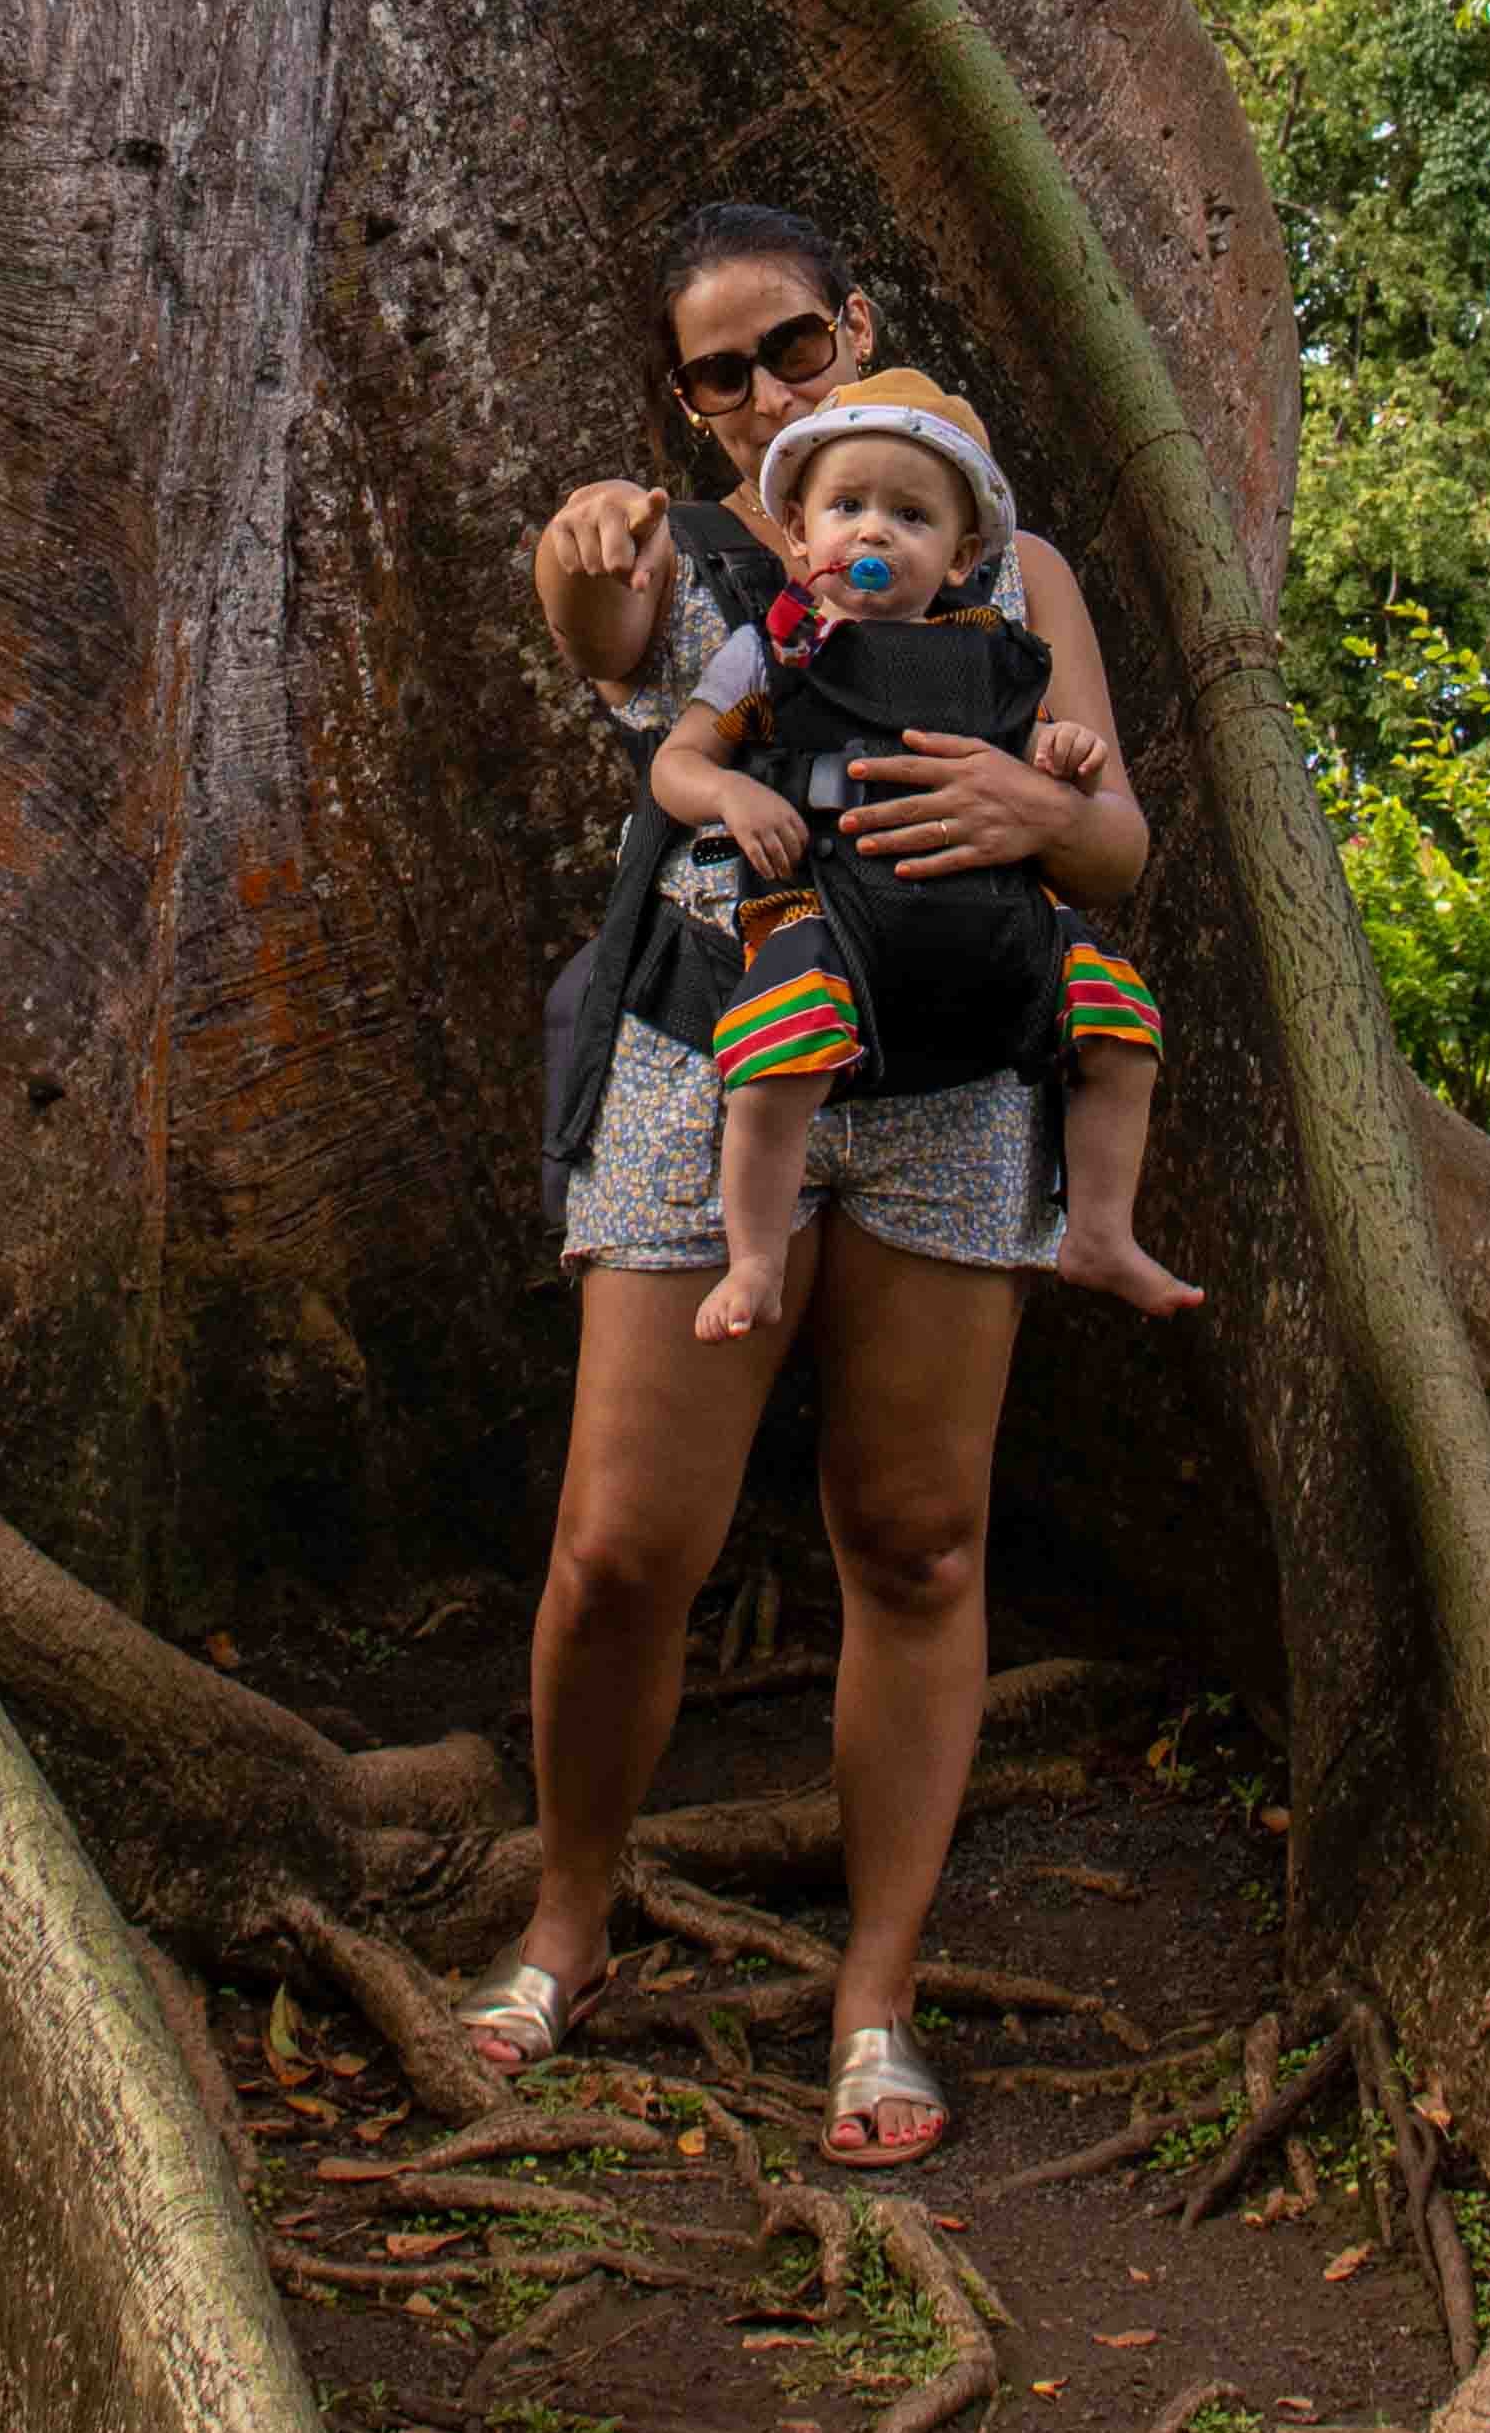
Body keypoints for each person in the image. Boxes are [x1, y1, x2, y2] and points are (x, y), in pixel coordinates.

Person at [475, 202, 1193, 2169]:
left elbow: (1119, 847)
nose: (763, 390)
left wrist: (1041, 808)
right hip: (714, 1055)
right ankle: (564, 1921)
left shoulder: (1010, 559)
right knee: (623, 1546)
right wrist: (577, 561)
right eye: (719, 374)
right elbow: (608, 646)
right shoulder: (714, 558)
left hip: (951, 1074)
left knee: (918, 1541)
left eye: (790, 345)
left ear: (857, 321)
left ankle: (876, 1994)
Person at [649, 364, 1186, 1346]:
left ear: (960, 555)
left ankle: (1100, 1230)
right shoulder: (773, 651)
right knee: (773, 1056)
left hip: (992, 918)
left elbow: (1044, 754)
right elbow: (676, 765)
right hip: (830, 914)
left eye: (910, 516)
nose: (873, 534)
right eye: (847, 508)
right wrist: (731, 793)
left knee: (1119, 1021)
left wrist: (1063, 756)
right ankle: (755, 1258)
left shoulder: (996, 654)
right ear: (799, 530)